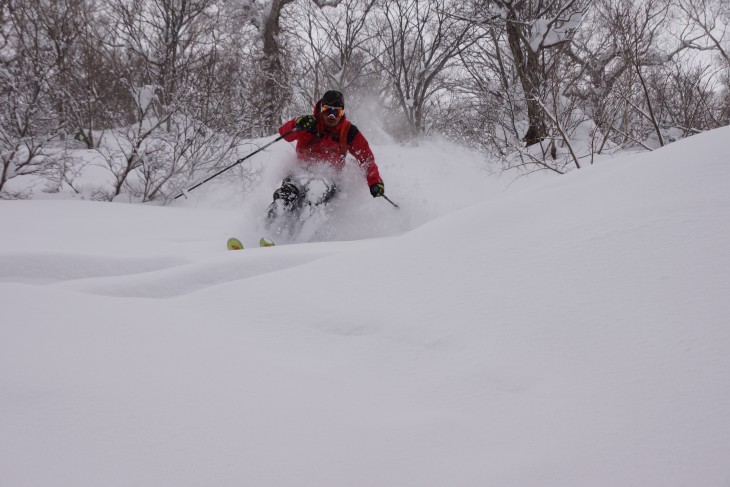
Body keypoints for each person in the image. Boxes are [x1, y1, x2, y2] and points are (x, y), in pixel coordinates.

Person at [266, 90, 384, 233]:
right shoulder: (309, 123)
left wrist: (374, 181)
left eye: (337, 112)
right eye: (328, 111)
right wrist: (296, 124)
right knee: (286, 194)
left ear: (342, 113)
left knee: (314, 194)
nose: (332, 116)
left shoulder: (349, 132)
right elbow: (284, 134)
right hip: (300, 171)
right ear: (321, 109)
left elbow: (367, 159)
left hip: (329, 177)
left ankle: (299, 238)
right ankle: (268, 230)